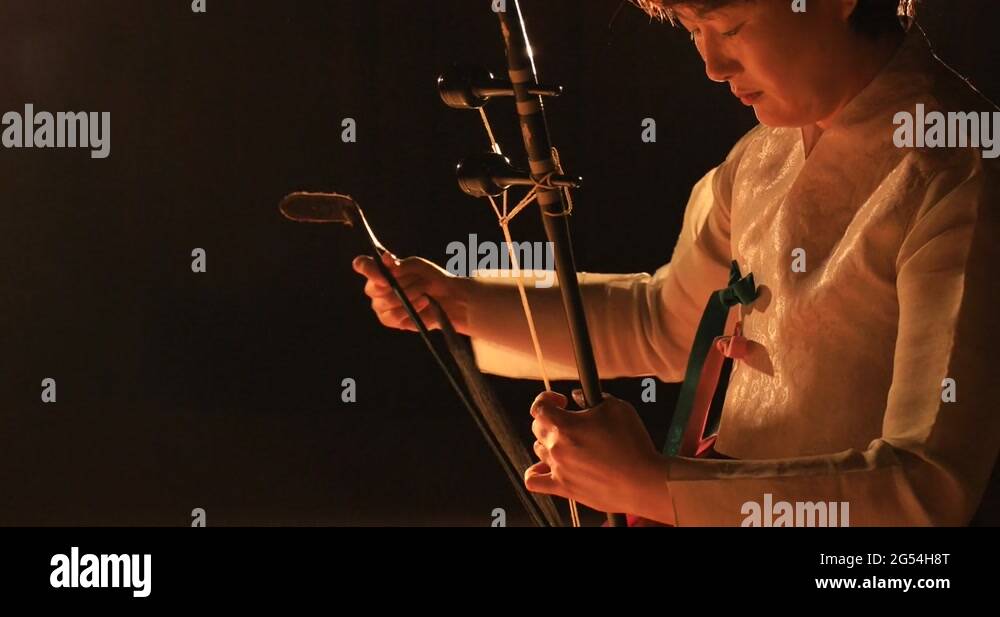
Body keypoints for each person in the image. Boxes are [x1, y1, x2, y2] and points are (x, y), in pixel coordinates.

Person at [353, 0, 999, 526]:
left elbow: (928, 489)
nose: (713, 64)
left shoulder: (959, 162)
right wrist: (461, 302)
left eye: (729, 26)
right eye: (694, 30)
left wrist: (654, 484)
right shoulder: (758, 162)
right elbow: (660, 322)